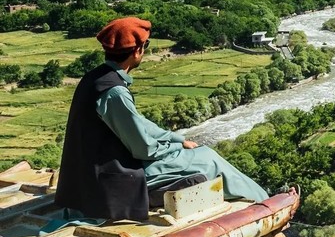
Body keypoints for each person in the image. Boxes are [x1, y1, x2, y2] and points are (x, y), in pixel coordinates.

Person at [55, 17, 268, 221]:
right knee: (208, 159)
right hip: (111, 180)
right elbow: (144, 148)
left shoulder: (95, 79)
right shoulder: (115, 93)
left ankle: (263, 201)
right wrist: (175, 148)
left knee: (199, 154)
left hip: (93, 173)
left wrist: (176, 139)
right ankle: (266, 205)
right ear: (138, 51)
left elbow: (138, 123)